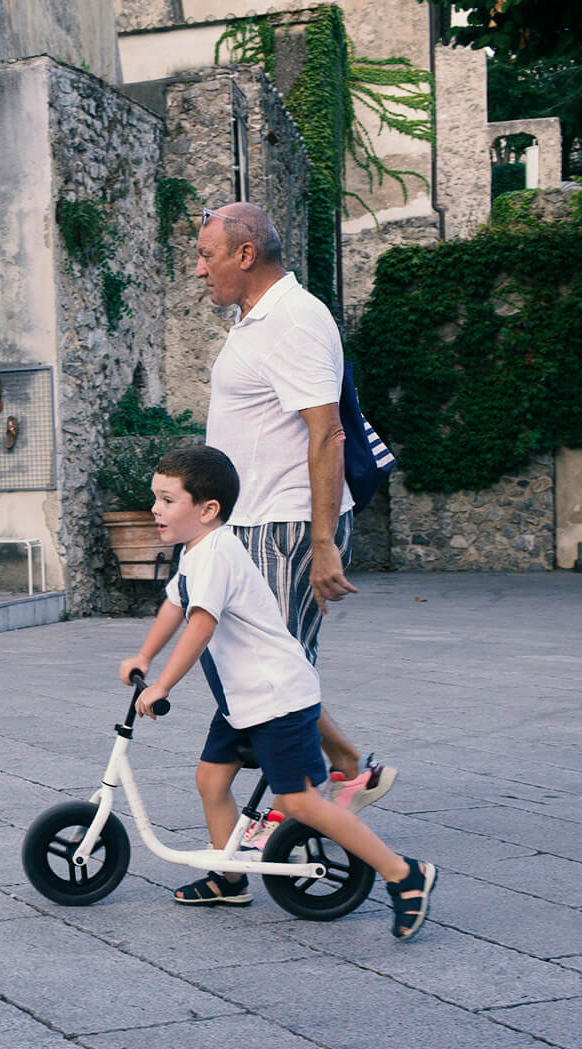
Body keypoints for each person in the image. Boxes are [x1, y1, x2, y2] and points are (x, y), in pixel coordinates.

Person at [119, 445, 437, 939]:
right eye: (154, 498)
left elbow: (201, 624)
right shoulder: (196, 552)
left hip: (277, 698)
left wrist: (161, 683)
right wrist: (144, 654)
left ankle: (403, 873)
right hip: (243, 700)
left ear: (207, 510)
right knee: (210, 780)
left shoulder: (218, 553)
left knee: (302, 802)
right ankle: (229, 878)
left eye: (166, 499)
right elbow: (174, 606)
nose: (155, 509)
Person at [194, 201, 394, 814]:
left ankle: (295, 809)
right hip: (248, 523)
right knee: (248, 661)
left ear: (245, 255)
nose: (199, 270)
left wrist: (324, 541)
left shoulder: (294, 320)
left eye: (207, 255)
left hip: (286, 526)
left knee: (274, 677)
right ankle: (342, 765)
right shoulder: (257, 318)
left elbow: (326, 434)